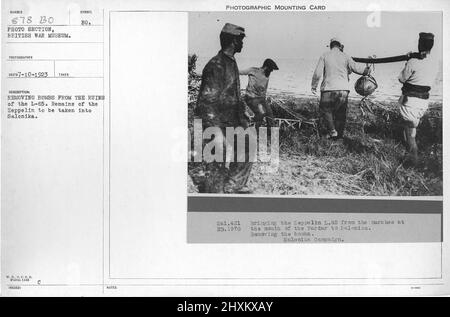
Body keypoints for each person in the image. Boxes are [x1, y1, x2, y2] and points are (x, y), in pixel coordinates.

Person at [194, 23, 253, 193]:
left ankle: (234, 185)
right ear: (234, 41)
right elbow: (206, 102)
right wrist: (216, 131)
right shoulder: (216, 65)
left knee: (247, 144)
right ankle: (216, 187)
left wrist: (244, 112)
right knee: (214, 183)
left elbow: (232, 93)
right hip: (216, 123)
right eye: (241, 39)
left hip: (231, 121)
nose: (243, 43)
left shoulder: (231, 62)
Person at [311, 37, 371, 139]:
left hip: (328, 87)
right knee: (341, 113)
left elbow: (317, 73)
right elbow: (357, 69)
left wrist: (314, 85)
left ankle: (332, 131)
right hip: (343, 89)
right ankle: (338, 137)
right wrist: (367, 69)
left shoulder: (325, 55)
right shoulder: (346, 56)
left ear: (331, 46)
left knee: (325, 109)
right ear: (340, 46)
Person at [398, 32, 438, 167]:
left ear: (419, 44)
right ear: (431, 46)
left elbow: (401, 78)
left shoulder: (413, 61)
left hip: (410, 102)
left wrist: (408, 61)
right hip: (423, 103)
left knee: (409, 134)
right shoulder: (434, 62)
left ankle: (414, 163)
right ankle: (409, 157)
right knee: (412, 129)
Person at [240, 59, 279, 130]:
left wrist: (264, 102)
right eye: (271, 69)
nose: (272, 71)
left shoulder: (267, 76)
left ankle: (272, 135)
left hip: (261, 98)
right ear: (266, 67)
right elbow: (239, 72)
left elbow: (264, 89)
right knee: (261, 113)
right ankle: (255, 130)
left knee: (269, 114)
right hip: (251, 98)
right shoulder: (253, 70)